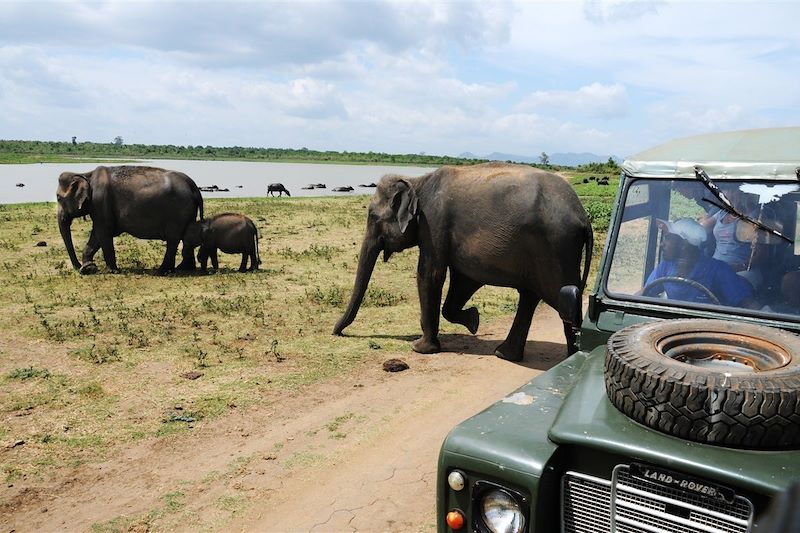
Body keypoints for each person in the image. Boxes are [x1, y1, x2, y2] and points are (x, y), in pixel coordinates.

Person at [642, 218, 754, 307]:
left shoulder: (718, 271)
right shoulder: (666, 267)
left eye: (668, 238)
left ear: (683, 245)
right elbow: (644, 293)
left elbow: (748, 306)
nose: (662, 244)